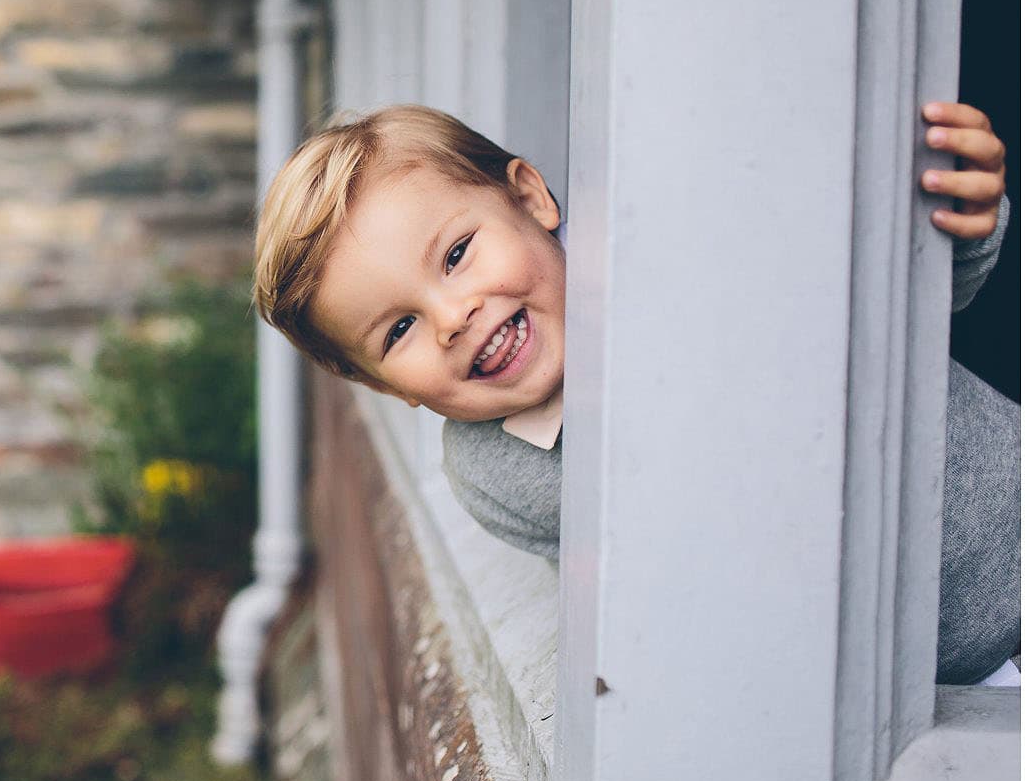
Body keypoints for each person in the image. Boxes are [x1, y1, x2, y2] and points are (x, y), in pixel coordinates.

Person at [252, 102, 1018, 685]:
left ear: (531, 200)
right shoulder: (491, 472)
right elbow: (640, 607)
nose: (454, 318)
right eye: (398, 331)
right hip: (914, 693)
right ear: (386, 387)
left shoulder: (683, 254)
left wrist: (958, 218)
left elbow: (896, 296)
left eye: (456, 254)